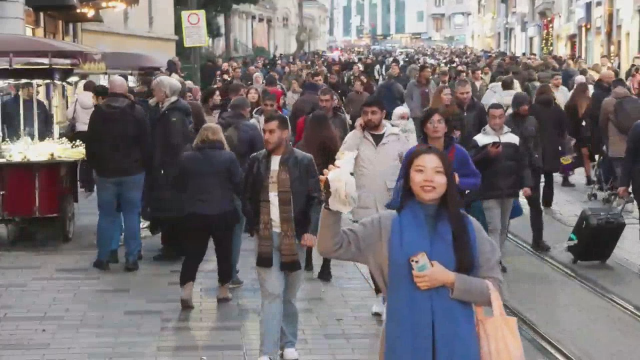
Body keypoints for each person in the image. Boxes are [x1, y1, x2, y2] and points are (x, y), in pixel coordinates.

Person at [317, 145, 502, 360]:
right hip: (401, 346)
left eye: (438, 172)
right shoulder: (384, 226)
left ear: (450, 179)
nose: (429, 178)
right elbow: (330, 246)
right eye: (420, 170)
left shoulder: (469, 227)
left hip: (460, 347)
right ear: (407, 177)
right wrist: (333, 202)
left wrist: (450, 279)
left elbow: (494, 291)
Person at [243, 113, 322, 360]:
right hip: (266, 238)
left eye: (271, 132)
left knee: (288, 295)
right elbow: (246, 195)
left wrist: (310, 230)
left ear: (285, 134)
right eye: (264, 132)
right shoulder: (256, 161)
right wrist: (254, 224)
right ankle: (266, 351)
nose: (266, 136)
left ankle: (288, 343)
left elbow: (315, 198)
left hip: (295, 238)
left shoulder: (303, 161)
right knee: (272, 293)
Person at [341, 96, 413, 320]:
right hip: (365, 203)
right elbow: (343, 158)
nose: (369, 117)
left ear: (383, 113)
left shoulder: (397, 136)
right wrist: (355, 133)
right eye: (365, 113)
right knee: (373, 253)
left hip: (392, 202)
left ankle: (393, 295)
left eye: (374, 113)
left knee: (393, 252)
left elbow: (410, 162)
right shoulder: (356, 137)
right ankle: (380, 294)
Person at [86, 76, 149, 271]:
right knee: (132, 214)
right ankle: (132, 258)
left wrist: (95, 166)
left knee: (106, 215)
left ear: (109, 90)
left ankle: (103, 257)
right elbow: (147, 143)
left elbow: (91, 145)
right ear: (125, 90)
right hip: (133, 172)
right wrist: (144, 165)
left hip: (106, 173)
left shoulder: (98, 113)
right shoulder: (137, 112)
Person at [176, 124, 243, 308]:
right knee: (224, 252)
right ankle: (223, 290)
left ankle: (187, 290)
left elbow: (179, 184)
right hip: (223, 211)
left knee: (193, 254)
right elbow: (238, 183)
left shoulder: (187, 158)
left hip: (195, 213)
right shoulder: (228, 157)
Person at [468, 103, 532, 273]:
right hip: (488, 190)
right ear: (488, 118)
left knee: (504, 226)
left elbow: (523, 163)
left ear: (504, 117)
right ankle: (493, 262)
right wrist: (486, 154)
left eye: (500, 117)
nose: (497, 121)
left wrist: (526, 184)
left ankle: (496, 257)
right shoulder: (480, 140)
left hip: (509, 190)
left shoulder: (514, 139)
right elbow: (471, 163)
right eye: (493, 117)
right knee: (494, 227)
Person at [147, 76, 194, 262]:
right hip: (168, 168)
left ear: (164, 92)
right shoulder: (167, 110)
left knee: (171, 208)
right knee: (170, 207)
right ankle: (173, 244)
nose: (153, 93)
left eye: (155, 90)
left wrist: (163, 165)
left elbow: (175, 143)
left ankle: (172, 246)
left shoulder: (173, 114)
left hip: (170, 169)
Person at [222, 96, 265, 288]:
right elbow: (261, 157)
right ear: (247, 110)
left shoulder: (219, 125)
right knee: (236, 230)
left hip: (217, 183)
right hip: (241, 183)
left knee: (221, 231)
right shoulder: (250, 128)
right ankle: (230, 272)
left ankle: (224, 269)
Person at [295, 110, 341, 281]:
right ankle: (326, 266)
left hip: (309, 190)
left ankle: (308, 260)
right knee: (328, 228)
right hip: (330, 187)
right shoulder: (334, 142)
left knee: (310, 224)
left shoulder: (303, 144)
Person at [508, 92, 552, 252]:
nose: (525, 108)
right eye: (522, 105)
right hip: (512, 167)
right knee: (507, 206)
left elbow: (537, 142)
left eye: (527, 104)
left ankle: (538, 240)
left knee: (535, 206)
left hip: (532, 168)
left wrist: (538, 160)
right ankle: (501, 238)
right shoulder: (507, 122)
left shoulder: (532, 121)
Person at [599, 78, 637, 186]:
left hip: (616, 142)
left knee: (619, 169)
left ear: (612, 88)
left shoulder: (608, 102)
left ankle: (621, 192)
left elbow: (602, 122)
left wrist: (604, 138)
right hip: (633, 140)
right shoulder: (635, 100)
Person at [565, 82, 595, 186]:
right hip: (584, 134)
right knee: (585, 156)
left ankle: (566, 175)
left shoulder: (569, 104)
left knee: (569, 155)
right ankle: (588, 177)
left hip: (572, 134)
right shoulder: (588, 102)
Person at [452, 79, 487, 150]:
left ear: (471, 91)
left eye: (467, 93)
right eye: (461, 93)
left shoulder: (479, 107)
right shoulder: (451, 108)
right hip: (456, 148)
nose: (465, 96)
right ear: (456, 93)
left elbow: (484, 129)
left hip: (475, 148)